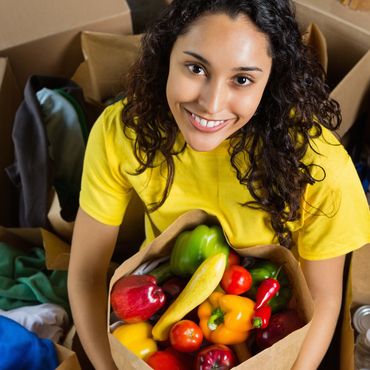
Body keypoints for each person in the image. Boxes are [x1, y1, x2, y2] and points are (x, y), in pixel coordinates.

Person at [67, 0, 370, 369]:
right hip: (164, 289)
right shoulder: (123, 132)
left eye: (242, 79)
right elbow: (86, 272)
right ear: (167, 56)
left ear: (271, 80)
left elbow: (322, 302)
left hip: (266, 306)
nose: (211, 104)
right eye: (196, 68)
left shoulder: (319, 166)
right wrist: (107, 366)